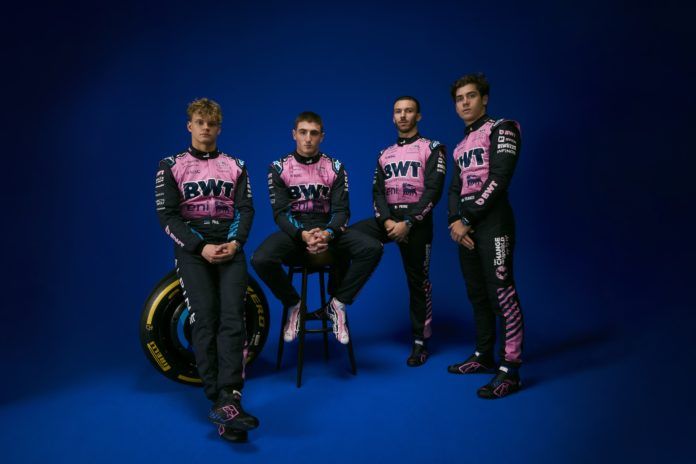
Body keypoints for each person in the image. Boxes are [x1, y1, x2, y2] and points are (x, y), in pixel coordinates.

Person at [155, 98, 259, 442]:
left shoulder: (236, 165)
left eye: (211, 124)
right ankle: (218, 399)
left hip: (229, 247)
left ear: (219, 128)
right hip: (193, 251)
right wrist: (200, 247)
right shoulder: (170, 166)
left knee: (233, 319)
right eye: (200, 122)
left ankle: (231, 398)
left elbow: (245, 209)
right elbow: (167, 217)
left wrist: (236, 242)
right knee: (205, 317)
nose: (205, 128)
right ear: (190, 126)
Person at [251, 111, 382, 345]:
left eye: (314, 133)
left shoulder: (335, 167)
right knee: (260, 259)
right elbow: (281, 213)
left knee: (373, 248)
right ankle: (294, 305)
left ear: (322, 136)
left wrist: (328, 234)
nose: (308, 138)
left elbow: (342, 211)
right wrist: (303, 235)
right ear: (294, 134)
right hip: (295, 233)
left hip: (327, 232)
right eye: (303, 132)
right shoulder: (279, 168)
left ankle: (337, 304)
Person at [349, 96, 446, 366]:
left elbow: (433, 191)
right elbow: (377, 192)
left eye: (409, 111)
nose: (403, 116)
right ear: (393, 117)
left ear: (418, 116)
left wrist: (409, 223)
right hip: (390, 220)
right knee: (346, 237)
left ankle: (420, 342)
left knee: (418, 282)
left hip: (417, 223)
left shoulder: (432, 148)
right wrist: (387, 222)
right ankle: (338, 301)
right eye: (398, 112)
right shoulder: (385, 154)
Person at [446, 73, 524, 399]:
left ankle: (511, 370)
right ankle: (483, 356)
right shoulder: (460, 146)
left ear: (485, 99)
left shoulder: (502, 128)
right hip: (467, 228)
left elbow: (499, 178)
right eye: (459, 99)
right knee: (477, 294)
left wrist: (467, 219)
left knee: (501, 293)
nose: (465, 102)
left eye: (471, 96)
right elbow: (455, 188)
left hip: (494, 224)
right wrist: (455, 222)